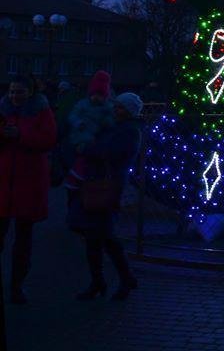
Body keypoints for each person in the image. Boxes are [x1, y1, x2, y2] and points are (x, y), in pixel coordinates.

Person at [68, 91, 143, 300]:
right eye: (116, 106)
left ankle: (117, 279)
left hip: (107, 185)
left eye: (121, 108)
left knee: (102, 234)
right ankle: (108, 279)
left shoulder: (129, 131)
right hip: (99, 183)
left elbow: (111, 152)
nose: (116, 110)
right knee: (96, 234)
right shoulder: (116, 127)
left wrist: (87, 149)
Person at [0, 75, 57, 303]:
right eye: (13, 91)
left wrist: (21, 135)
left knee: (23, 240)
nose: (15, 95)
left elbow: (49, 139)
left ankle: (17, 285)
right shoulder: (3, 110)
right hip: (4, 181)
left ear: (30, 92)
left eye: (20, 91)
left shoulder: (42, 112)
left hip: (29, 182)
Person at [64, 70, 114, 191]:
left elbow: (111, 120)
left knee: (88, 158)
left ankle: (81, 178)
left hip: (95, 136)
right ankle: (75, 178)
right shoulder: (83, 104)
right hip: (81, 133)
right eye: (94, 94)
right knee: (80, 155)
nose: (96, 98)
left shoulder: (107, 108)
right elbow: (72, 116)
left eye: (100, 95)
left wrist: (106, 122)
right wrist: (78, 123)